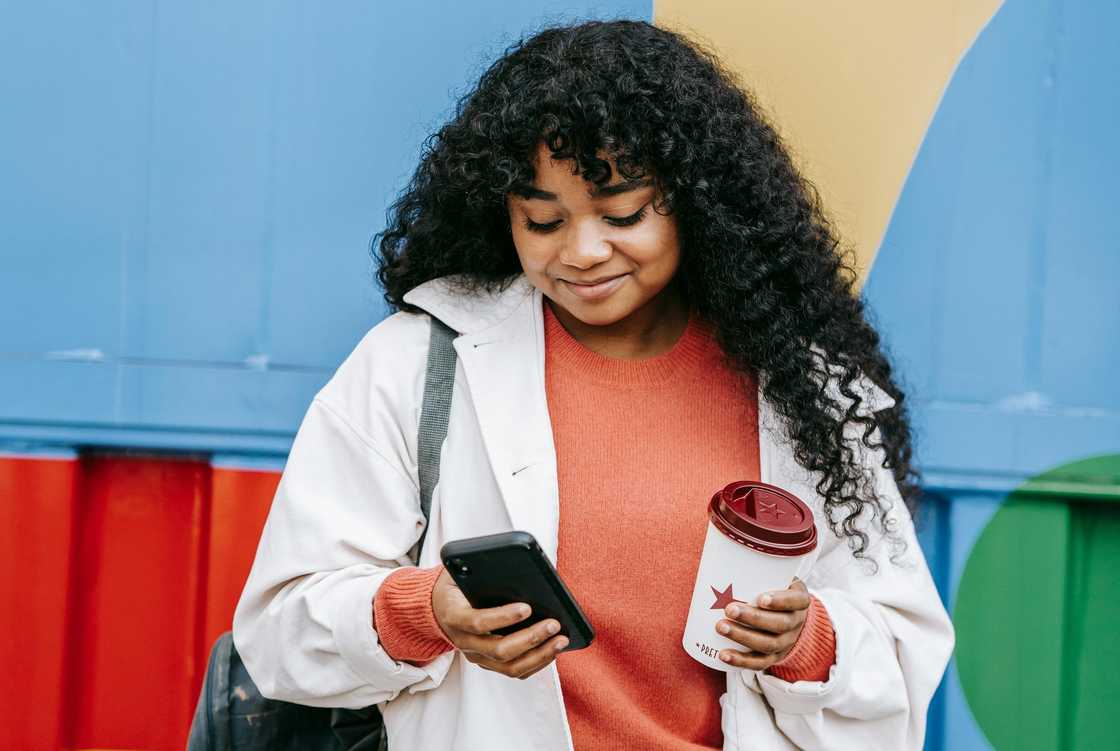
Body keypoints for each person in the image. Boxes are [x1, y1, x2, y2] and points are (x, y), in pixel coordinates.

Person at [232, 19, 954, 751]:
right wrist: (423, 614)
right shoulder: (413, 363)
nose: (582, 252)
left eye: (623, 214)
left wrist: (807, 642)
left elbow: (901, 670)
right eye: (543, 221)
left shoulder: (801, 386)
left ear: (698, 200)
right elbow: (279, 630)